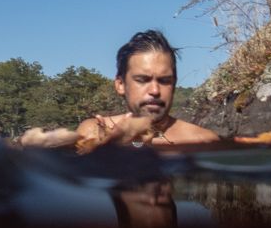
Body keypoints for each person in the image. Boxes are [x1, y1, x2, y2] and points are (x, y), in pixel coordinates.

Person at [77, 30, 219, 146]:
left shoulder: (204, 140)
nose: (155, 91)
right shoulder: (93, 132)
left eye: (164, 81)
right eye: (142, 80)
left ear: (174, 85)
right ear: (120, 85)